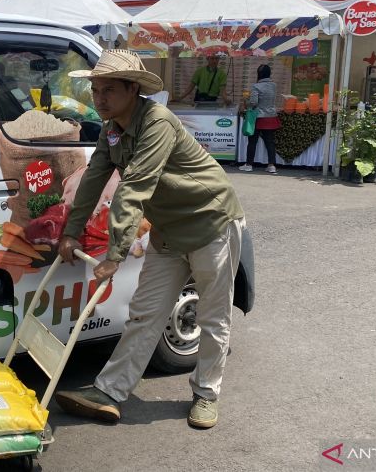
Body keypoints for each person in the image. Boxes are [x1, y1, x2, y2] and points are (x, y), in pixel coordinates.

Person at [54, 49, 245, 429]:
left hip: (210, 223)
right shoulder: (111, 130)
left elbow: (135, 187)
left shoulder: (156, 121)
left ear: (132, 89)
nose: (100, 99)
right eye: (96, 91)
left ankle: (206, 394)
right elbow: (93, 179)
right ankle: (109, 391)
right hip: (168, 230)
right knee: (145, 312)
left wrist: (115, 253)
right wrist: (71, 232)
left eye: (109, 90)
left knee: (212, 316)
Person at [239, 64, 279, 174]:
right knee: (270, 142)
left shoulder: (256, 86)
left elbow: (254, 103)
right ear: (269, 73)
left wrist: (246, 101)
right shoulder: (274, 85)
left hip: (258, 117)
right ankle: (271, 166)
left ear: (259, 74)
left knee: (252, 142)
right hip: (271, 116)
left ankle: (249, 165)